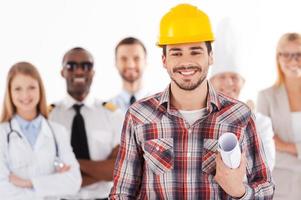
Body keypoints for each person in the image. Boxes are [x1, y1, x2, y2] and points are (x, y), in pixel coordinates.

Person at [109, 4, 274, 199]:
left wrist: (240, 191)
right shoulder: (139, 115)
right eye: (176, 53)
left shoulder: (240, 116)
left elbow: (266, 189)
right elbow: (121, 193)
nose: (186, 62)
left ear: (210, 56)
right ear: (164, 60)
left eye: (195, 52)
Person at [49, 47, 124, 199]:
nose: (78, 71)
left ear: (93, 72)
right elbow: (45, 171)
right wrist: (101, 170)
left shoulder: (113, 115)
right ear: (62, 72)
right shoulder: (48, 117)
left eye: (86, 65)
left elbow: (119, 169)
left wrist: (71, 164)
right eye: (71, 66)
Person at [0, 62, 81, 199]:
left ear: (40, 90)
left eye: (31, 87)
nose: (25, 95)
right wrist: (52, 183)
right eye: (18, 89)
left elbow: (73, 182)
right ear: (10, 93)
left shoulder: (58, 132)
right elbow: (2, 189)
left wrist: (27, 183)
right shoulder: (2, 133)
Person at [209, 18, 275, 171]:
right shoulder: (199, 118)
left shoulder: (261, 123)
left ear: (243, 82)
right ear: (211, 82)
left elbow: (265, 168)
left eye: (234, 77)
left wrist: (246, 122)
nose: (228, 83)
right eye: (222, 77)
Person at [257, 32, 301, 199]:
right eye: (287, 55)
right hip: (283, 186)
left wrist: (288, 147)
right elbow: (265, 147)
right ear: (278, 58)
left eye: (299, 54)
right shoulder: (266, 96)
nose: (293, 61)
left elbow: (278, 144)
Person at [111, 37, 150, 114]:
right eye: (123, 59)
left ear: (145, 61)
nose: (130, 65)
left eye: (136, 58)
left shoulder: (161, 107)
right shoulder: (106, 110)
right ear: (115, 62)